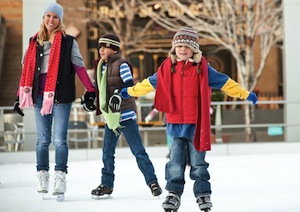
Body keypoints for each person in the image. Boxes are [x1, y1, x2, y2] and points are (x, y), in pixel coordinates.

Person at [120, 27, 258, 211]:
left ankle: (202, 194)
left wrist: (245, 94)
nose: (182, 49)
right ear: (174, 49)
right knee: (175, 163)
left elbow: (226, 83)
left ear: (194, 49)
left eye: (187, 46)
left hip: (196, 125)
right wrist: (130, 91)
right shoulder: (167, 69)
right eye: (179, 46)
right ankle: (173, 194)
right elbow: (147, 84)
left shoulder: (203, 69)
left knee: (199, 164)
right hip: (176, 124)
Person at [13, 2, 96, 200]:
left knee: (59, 140)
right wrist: (19, 96)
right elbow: (26, 72)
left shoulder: (68, 42)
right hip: (40, 97)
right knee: (43, 141)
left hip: (62, 97)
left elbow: (79, 67)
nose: (51, 20)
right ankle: (42, 175)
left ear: (60, 20)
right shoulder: (34, 42)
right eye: (48, 16)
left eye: (55, 17)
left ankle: (60, 176)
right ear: (44, 18)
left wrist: (91, 90)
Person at [90, 33, 162, 199]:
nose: (102, 50)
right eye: (100, 46)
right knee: (107, 152)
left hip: (126, 115)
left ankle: (152, 182)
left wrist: (118, 94)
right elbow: (100, 90)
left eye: (106, 47)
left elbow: (129, 84)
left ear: (114, 49)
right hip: (111, 117)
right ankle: (106, 185)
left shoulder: (121, 64)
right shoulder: (100, 66)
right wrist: (90, 97)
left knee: (138, 151)